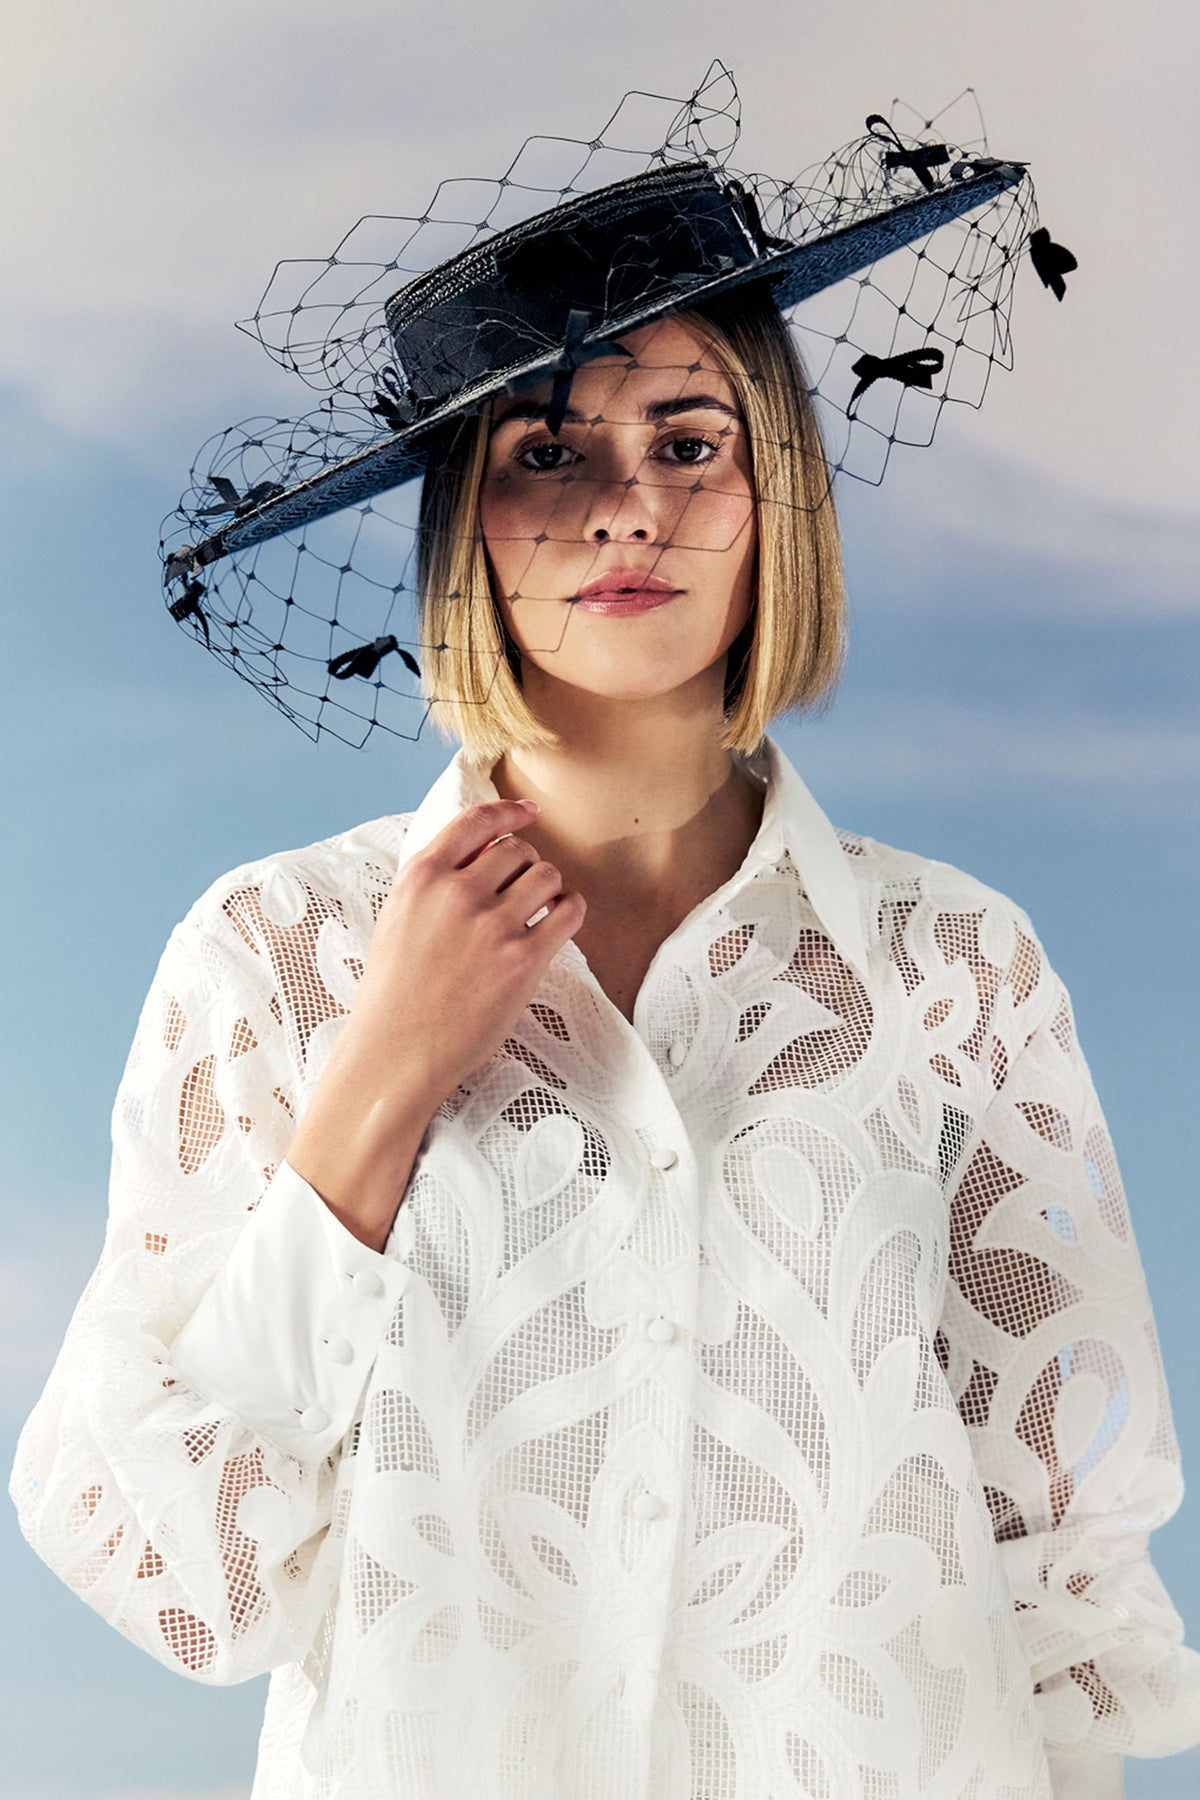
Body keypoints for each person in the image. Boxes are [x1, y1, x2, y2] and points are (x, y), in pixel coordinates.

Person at [10, 86, 1200, 1800]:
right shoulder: (274, 956)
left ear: (774, 486)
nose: (627, 507)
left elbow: (1058, 1582)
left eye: (691, 441)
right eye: (547, 452)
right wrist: (382, 1079)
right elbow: (188, 1580)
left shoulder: (957, 974)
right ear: (462, 527)